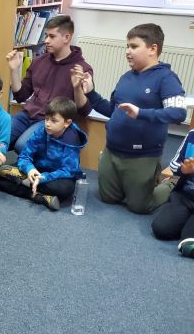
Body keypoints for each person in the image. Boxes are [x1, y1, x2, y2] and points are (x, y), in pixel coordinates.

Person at [72, 23, 186, 214]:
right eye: (127, 46)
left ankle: (171, 183)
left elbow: (179, 113)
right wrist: (90, 93)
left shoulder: (166, 78)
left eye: (133, 46)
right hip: (112, 151)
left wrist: (141, 113)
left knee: (140, 207)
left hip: (143, 155)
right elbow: (111, 110)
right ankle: (131, 186)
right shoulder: (126, 77)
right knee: (107, 198)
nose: (127, 51)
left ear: (153, 49)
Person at [7, 15, 93, 152]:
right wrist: (14, 70)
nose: (46, 41)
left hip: (51, 121)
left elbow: (84, 111)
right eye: (46, 36)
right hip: (29, 115)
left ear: (67, 38)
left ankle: (27, 169)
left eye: (52, 36)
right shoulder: (39, 61)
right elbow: (21, 96)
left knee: (22, 145)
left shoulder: (82, 69)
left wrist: (77, 88)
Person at [0, 96, 87, 211]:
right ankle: (40, 196)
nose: (48, 124)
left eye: (54, 121)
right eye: (46, 119)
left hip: (55, 176)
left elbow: (68, 171)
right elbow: (25, 155)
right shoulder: (41, 130)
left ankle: (26, 184)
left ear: (67, 123)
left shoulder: (72, 140)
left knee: (66, 190)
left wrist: (43, 178)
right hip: (36, 169)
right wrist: (29, 169)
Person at [151, 128, 194, 257]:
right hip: (184, 194)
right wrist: (184, 169)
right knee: (161, 229)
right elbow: (174, 164)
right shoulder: (192, 134)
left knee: (188, 239)